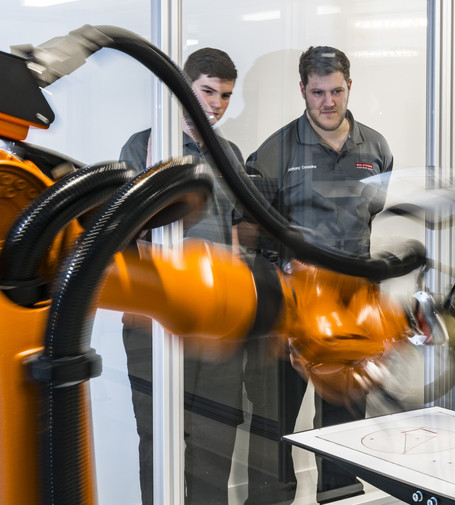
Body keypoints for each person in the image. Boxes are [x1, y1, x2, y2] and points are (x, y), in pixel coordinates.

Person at [243, 45, 392, 505]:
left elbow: (377, 213)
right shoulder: (275, 151)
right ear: (302, 91)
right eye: (318, 92)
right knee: (279, 418)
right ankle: (273, 499)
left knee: (345, 417)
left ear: (350, 86)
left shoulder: (376, 146)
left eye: (337, 91)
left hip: (353, 305)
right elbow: (247, 227)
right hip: (293, 305)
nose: (328, 102)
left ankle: (342, 496)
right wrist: (286, 260)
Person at [119, 47, 245, 505]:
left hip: (215, 320)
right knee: (158, 438)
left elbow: (234, 236)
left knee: (216, 436)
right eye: (207, 91)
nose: (215, 104)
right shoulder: (143, 147)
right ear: (182, 90)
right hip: (157, 320)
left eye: (226, 96)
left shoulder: (230, 154)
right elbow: (124, 235)